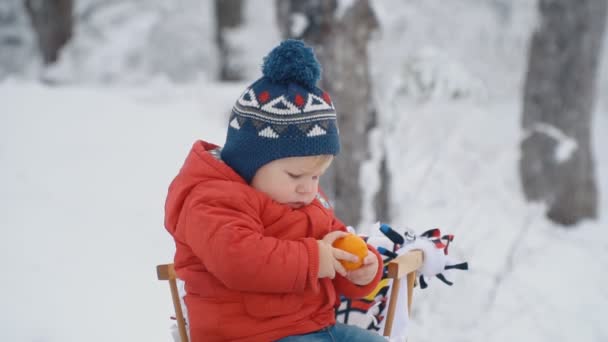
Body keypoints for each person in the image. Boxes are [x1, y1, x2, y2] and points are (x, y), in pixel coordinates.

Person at [164, 39, 385, 342]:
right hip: (249, 335)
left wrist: (362, 269)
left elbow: (334, 246)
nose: (307, 188)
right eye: (295, 175)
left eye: (316, 177)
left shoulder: (304, 202)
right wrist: (313, 259)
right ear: (252, 160)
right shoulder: (211, 199)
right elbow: (238, 259)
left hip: (314, 329)